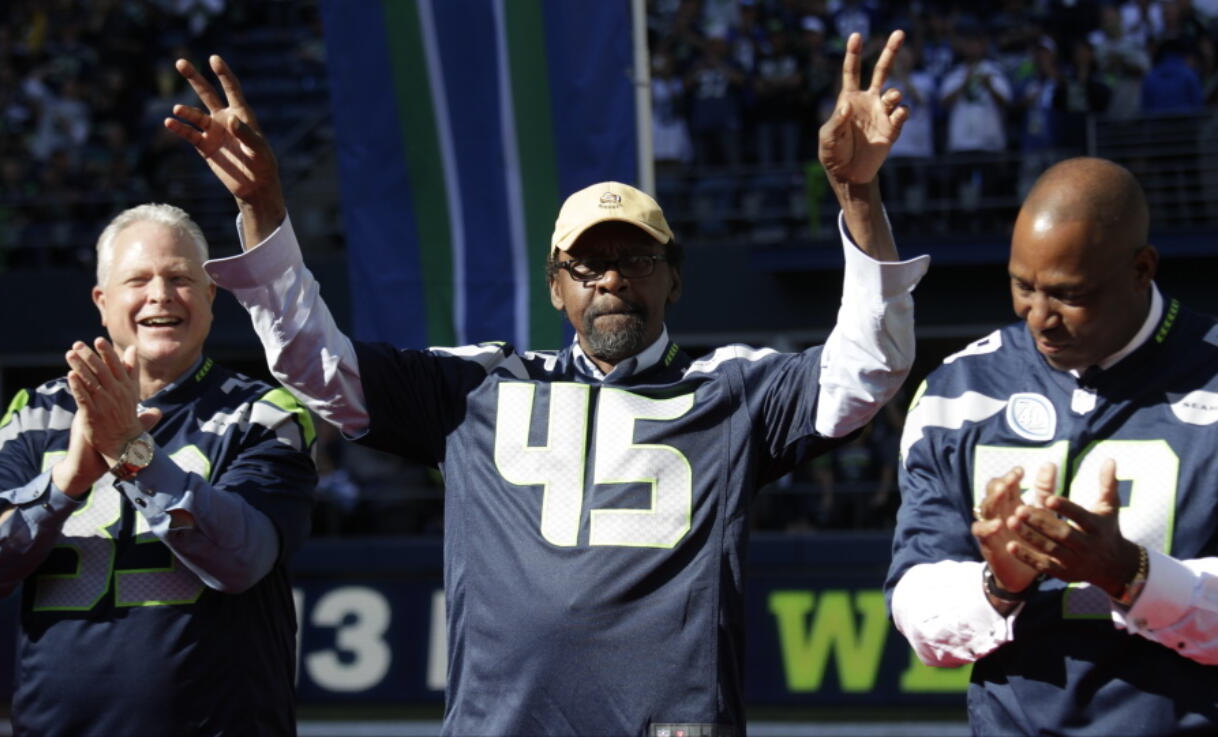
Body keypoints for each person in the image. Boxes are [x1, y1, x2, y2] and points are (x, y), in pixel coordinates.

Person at [169, 31, 928, 736]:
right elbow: (317, 368)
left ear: (673, 278)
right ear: (556, 289)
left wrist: (859, 198)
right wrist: (263, 209)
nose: (610, 279)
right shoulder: (476, 387)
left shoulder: (731, 389)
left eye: (635, 260)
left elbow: (867, 368)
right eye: (587, 265)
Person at [888, 157, 1218, 735]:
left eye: (1069, 294)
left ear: (1142, 269)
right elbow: (918, 612)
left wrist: (1133, 576)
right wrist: (998, 586)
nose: (1040, 318)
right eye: (1022, 286)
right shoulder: (958, 393)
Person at [0, 203, 317, 736]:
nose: (160, 295)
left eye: (181, 278)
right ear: (103, 301)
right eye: (138, 280)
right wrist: (67, 481)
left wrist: (132, 453)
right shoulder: (36, 415)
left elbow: (243, 560)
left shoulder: (266, 414)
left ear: (211, 297)